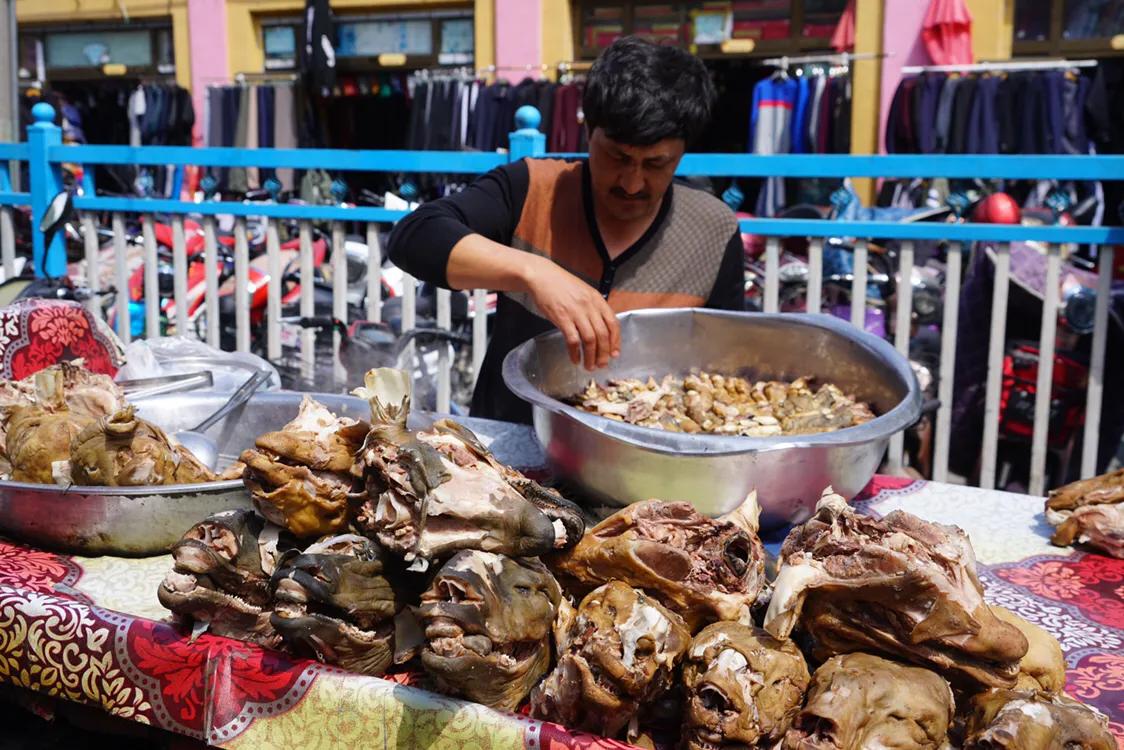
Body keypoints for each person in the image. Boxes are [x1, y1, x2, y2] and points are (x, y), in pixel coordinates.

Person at [387, 36, 745, 423]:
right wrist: (534, 271)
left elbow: (723, 368)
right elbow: (415, 235)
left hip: (641, 464)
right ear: (587, 130)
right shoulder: (530, 188)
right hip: (507, 453)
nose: (632, 183)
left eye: (656, 164)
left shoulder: (714, 231)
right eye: (617, 157)